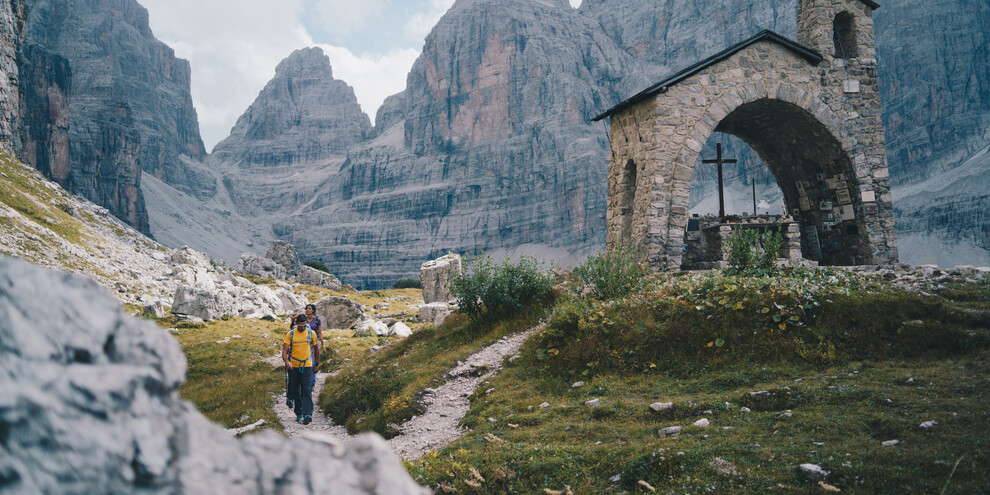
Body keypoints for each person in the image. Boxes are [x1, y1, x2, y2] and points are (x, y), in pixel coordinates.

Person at [282, 314, 315, 424]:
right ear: (296, 324)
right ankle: (299, 413)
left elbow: (316, 348)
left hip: (307, 365)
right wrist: (287, 362)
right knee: (296, 390)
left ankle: (308, 414)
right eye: (300, 326)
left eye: (304, 326)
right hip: (294, 366)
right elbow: (285, 350)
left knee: (306, 389)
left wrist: (317, 363)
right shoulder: (290, 334)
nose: (302, 328)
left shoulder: (311, 333)